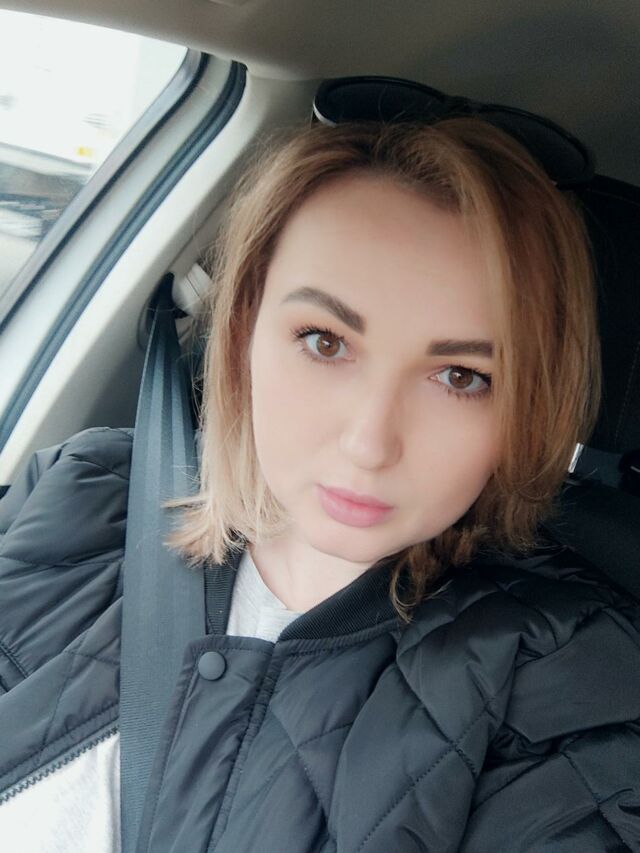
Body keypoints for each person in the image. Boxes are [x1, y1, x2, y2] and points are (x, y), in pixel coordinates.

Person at [0, 112, 639, 853]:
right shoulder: (82, 496)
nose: (369, 443)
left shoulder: (570, 685)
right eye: (325, 341)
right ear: (244, 328)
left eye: (462, 377)